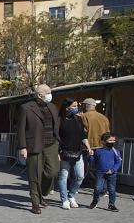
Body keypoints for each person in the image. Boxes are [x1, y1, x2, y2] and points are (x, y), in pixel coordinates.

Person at [17, 84, 60, 215]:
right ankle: (35, 202)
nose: (50, 95)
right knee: (34, 174)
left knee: (53, 172)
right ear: (39, 95)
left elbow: (56, 126)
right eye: (47, 92)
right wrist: (23, 147)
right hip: (34, 145)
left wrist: (58, 145)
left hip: (51, 144)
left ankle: (42, 193)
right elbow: (21, 128)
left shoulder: (52, 107)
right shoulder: (26, 107)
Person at [57, 98, 92, 210]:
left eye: (77, 106)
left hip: (78, 152)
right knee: (63, 176)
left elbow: (83, 135)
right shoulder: (59, 120)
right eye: (74, 106)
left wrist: (88, 147)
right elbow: (56, 137)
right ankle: (64, 199)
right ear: (67, 107)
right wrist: (58, 151)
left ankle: (71, 195)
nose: (76, 108)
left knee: (80, 175)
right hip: (64, 152)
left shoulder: (78, 119)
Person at [89, 132, 122, 212]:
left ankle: (111, 204)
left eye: (113, 141)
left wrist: (113, 170)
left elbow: (118, 162)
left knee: (112, 189)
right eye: (110, 140)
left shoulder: (115, 151)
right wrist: (90, 155)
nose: (112, 142)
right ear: (103, 141)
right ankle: (95, 200)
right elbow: (92, 161)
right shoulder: (98, 151)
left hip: (112, 173)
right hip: (100, 173)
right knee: (97, 188)